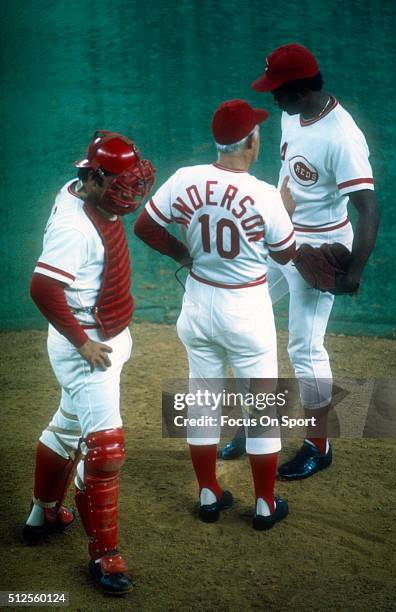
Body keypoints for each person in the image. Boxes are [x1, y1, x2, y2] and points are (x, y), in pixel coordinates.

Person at [220, 43, 380, 479]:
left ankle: (318, 444)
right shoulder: (293, 113)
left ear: (299, 89)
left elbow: (368, 207)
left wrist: (354, 271)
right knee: (239, 317)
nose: (272, 97)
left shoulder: (342, 136)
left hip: (318, 249)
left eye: (277, 89)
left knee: (304, 348)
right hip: (279, 235)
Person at [135, 99, 296, 530]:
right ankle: (265, 504)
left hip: (199, 306)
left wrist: (184, 254)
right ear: (252, 143)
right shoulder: (264, 195)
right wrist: (286, 213)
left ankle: (209, 494)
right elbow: (286, 253)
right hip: (246, 312)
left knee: (202, 401)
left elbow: (145, 226)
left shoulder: (185, 178)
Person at [22, 130, 155, 594]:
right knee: (105, 448)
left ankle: (44, 514)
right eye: (120, 183)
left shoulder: (81, 188)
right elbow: (42, 288)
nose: (132, 191)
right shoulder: (73, 229)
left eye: (134, 179)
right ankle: (105, 557)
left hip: (105, 335)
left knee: (67, 425)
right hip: (88, 347)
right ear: (94, 179)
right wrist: (82, 343)